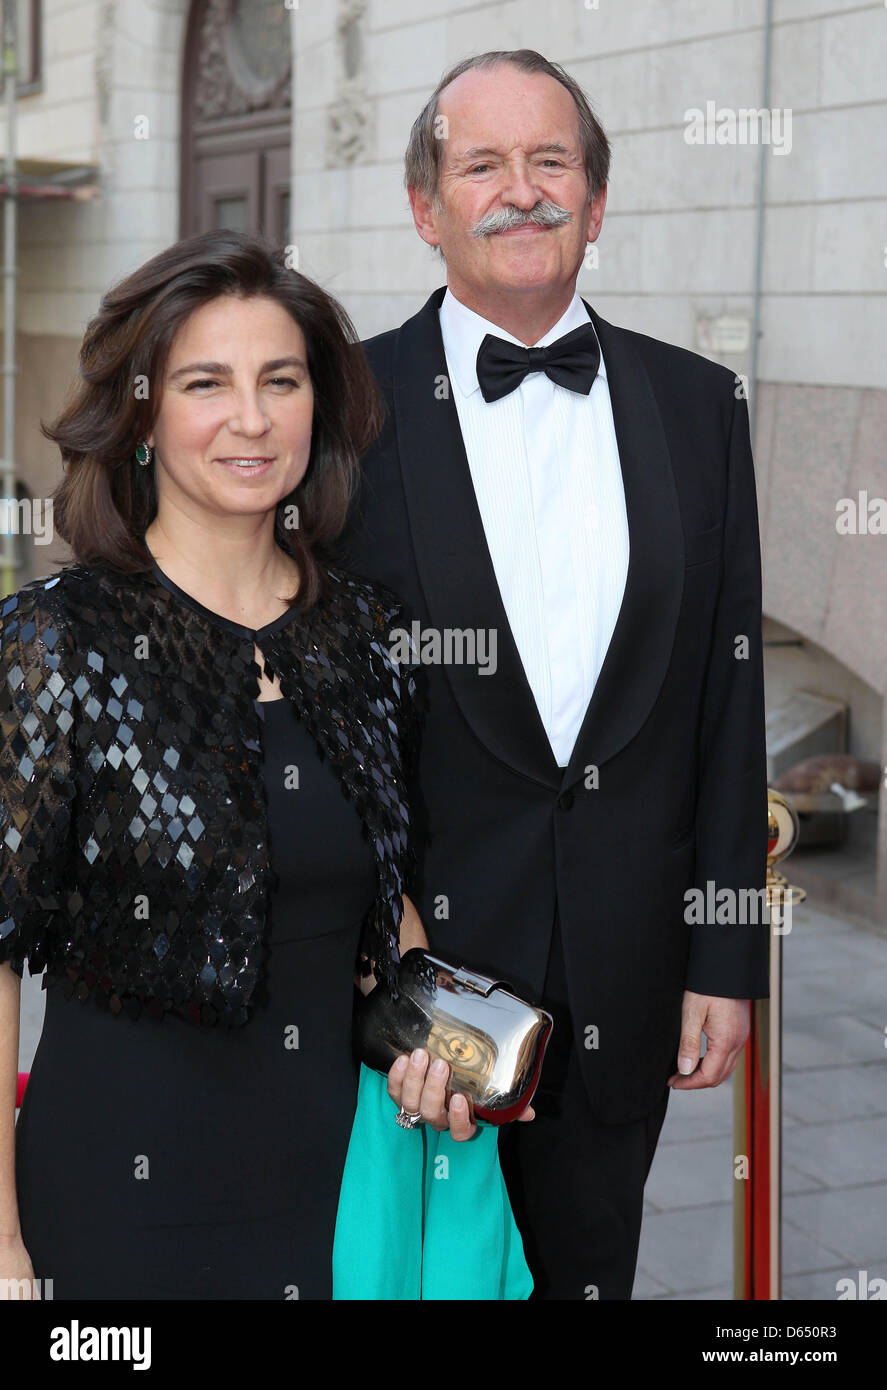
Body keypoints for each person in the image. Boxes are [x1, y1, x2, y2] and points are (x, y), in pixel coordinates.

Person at [0, 230, 531, 1301]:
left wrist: (437, 1051)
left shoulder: (365, 633)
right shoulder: (56, 643)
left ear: (317, 409)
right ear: (144, 416)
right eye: (207, 382)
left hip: (335, 1178)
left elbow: (386, 898)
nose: (251, 418)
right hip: (121, 1190)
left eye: (279, 381)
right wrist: (1, 1247)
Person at [337, 49, 770, 1300]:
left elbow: (726, 704)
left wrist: (723, 958)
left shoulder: (701, 408)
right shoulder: (343, 411)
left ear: (594, 201)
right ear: (427, 208)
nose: (519, 190)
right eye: (481, 164)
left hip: (627, 982)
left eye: (550, 162)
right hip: (407, 999)